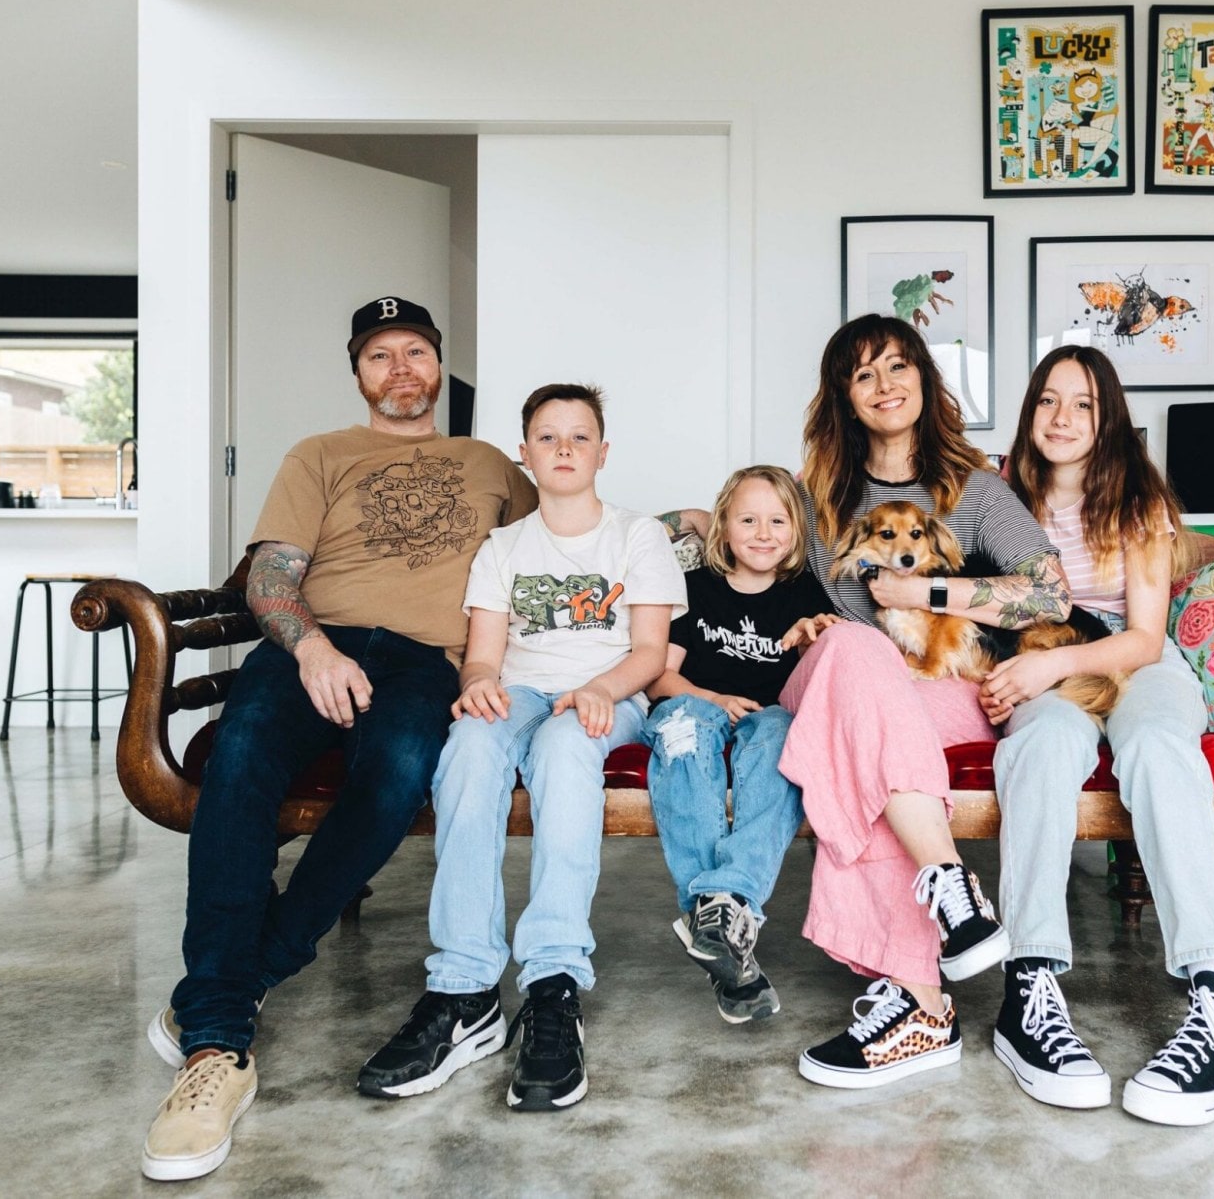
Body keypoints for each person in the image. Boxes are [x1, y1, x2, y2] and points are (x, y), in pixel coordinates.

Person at [140, 298, 538, 1182]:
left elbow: (562, 534)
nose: (401, 369)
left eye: (417, 353)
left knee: (399, 769)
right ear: (357, 372)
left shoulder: (491, 466)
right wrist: (312, 646)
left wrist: (685, 529)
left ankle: (238, 981)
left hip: (425, 664)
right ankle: (215, 1045)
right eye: (381, 356)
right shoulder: (318, 455)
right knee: (240, 756)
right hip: (315, 644)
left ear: (440, 366)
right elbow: (274, 573)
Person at [675, 314, 1072, 1089]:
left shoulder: (977, 491)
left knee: (859, 744)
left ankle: (922, 1006)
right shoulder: (819, 493)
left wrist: (929, 587)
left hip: (929, 692)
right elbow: (736, 527)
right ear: (844, 397)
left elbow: (1051, 590)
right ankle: (951, 892)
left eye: (898, 366)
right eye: (864, 374)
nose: (885, 385)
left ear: (924, 378)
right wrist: (672, 525)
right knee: (855, 652)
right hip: (821, 674)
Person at [357, 383, 687, 1113]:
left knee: (570, 746)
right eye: (548, 436)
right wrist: (476, 685)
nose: (564, 447)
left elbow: (650, 651)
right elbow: (483, 657)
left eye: (579, 436)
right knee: (470, 744)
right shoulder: (504, 546)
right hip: (522, 688)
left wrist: (601, 688)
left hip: (608, 692)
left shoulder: (638, 536)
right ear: (525, 453)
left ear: (603, 452)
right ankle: (465, 987)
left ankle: (552, 982)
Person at [983, 344, 1214, 1127]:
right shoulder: (1000, 500)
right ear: (1030, 413)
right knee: (1037, 748)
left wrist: (1052, 663)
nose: (1063, 418)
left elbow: (1140, 637)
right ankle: (1027, 988)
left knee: (1159, 748)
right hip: (1050, 670)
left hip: (1136, 665)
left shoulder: (1137, 500)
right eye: (1048, 401)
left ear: (1110, 421)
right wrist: (1031, 670)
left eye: (1084, 404)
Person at [644, 465, 839, 1024]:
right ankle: (727, 917)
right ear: (722, 526)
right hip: (694, 703)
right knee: (685, 726)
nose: (763, 531)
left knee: (785, 736)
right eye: (747, 518)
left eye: (778, 520)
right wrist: (711, 697)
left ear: (796, 531)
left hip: (767, 714)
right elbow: (661, 678)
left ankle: (718, 904)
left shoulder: (803, 592)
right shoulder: (695, 586)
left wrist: (816, 637)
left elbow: (812, 680)